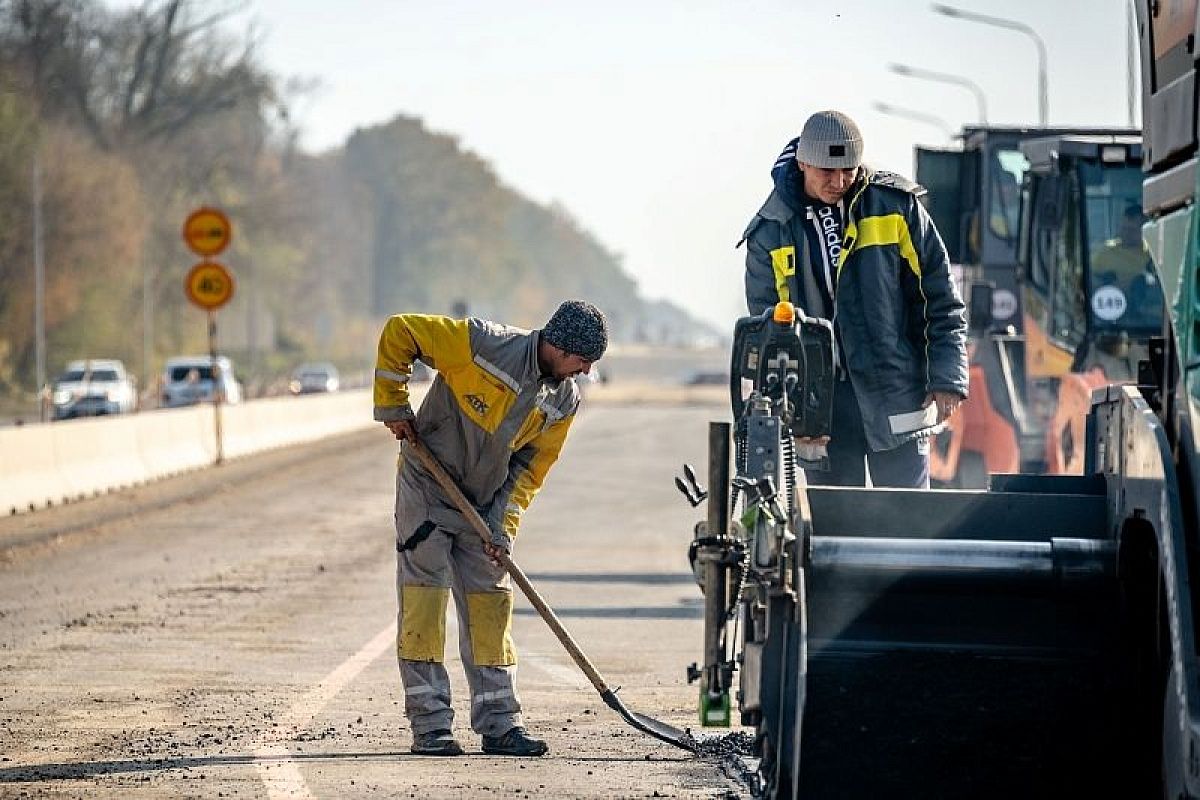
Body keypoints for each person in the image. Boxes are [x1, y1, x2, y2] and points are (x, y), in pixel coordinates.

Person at [373, 300, 607, 757]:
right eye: (583, 360)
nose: (586, 370)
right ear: (560, 346)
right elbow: (401, 330)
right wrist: (392, 403)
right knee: (425, 606)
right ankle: (431, 726)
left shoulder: (564, 399)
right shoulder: (481, 344)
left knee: (491, 609)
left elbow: (529, 471)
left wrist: (503, 527)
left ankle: (501, 724)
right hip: (428, 488)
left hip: (482, 507)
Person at [741, 110, 968, 488]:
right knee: (834, 529)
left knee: (912, 526)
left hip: (899, 397)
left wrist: (947, 376)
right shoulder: (770, 231)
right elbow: (770, 339)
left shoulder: (897, 206)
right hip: (822, 413)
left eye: (848, 169)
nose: (839, 181)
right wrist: (793, 416)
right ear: (802, 163)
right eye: (827, 172)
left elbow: (940, 299)